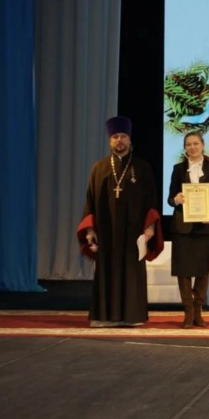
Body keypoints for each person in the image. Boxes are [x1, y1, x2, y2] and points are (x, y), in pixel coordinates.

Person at [76, 116, 163, 328]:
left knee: (132, 272)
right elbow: (90, 201)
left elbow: (151, 200)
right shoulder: (99, 168)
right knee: (106, 271)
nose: (119, 140)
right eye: (115, 136)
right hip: (106, 231)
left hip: (134, 232)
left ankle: (132, 316)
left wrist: (150, 227)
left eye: (123, 136)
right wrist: (89, 230)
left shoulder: (142, 167)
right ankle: (104, 317)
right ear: (110, 141)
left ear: (130, 140)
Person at [167, 131, 209, 329]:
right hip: (182, 226)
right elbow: (170, 199)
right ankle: (188, 312)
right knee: (183, 271)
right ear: (185, 148)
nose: (192, 147)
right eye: (188, 144)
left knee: (202, 271)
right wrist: (176, 199)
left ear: (203, 145)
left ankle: (198, 311)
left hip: (204, 226)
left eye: (195, 143)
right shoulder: (178, 169)